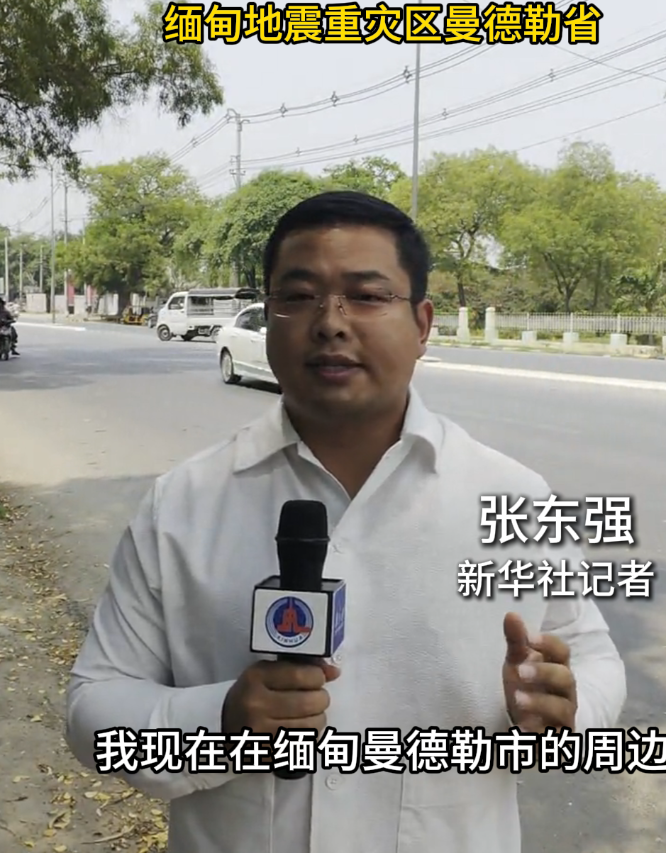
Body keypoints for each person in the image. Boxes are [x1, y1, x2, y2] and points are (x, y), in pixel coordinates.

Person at [66, 191, 626, 853]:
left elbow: (593, 659)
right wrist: (221, 721)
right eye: (299, 296)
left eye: (367, 296)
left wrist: (567, 712)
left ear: (422, 324)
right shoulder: (183, 505)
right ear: (268, 318)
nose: (330, 322)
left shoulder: (514, 499)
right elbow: (94, 706)